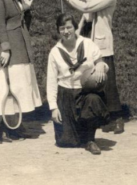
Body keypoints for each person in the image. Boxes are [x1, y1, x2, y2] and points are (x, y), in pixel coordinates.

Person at [57, 0, 124, 134]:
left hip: (102, 45)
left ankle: (118, 119)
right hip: (89, 42)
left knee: (107, 82)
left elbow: (85, 8)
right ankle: (103, 118)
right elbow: (81, 2)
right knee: (93, 82)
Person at [0, 0, 42, 141]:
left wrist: (25, 7)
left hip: (20, 43)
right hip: (9, 45)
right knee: (8, 86)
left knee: (19, 85)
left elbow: (17, 13)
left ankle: (16, 125)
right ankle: (4, 129)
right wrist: (4, 48)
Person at [47, 13, 110, 155]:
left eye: (69, 27)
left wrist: (100, 66)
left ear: (75, 28)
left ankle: (90, 139)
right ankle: (79, 135)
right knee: (66, 142)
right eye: (62, 28)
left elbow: (101, 63)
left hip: (85, 91)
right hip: (66, 94)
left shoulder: (87, 44)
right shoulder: (55, 52)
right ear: (58, 31)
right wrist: (53, 108)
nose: (66, 31)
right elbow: (51, 81)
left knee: (93, 100)